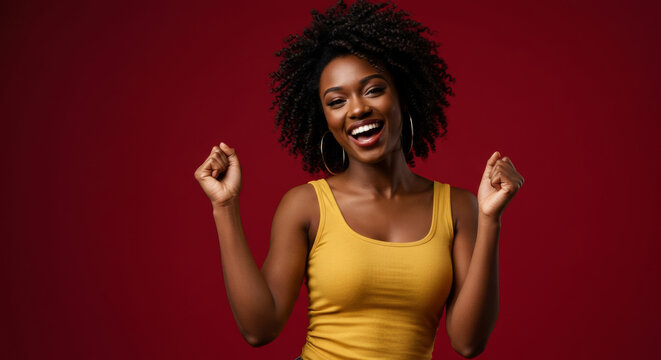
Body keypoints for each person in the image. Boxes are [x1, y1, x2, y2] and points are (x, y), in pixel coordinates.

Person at [194, 1, 524, 359]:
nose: (356, 109)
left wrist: (491, 219)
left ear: (403, 95)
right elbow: (259, 328)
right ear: (325, 119)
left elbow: (468, 343)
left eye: (373, 89)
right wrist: (224, 206)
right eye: (336, 101)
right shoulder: (306, 206)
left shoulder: (459, 207)